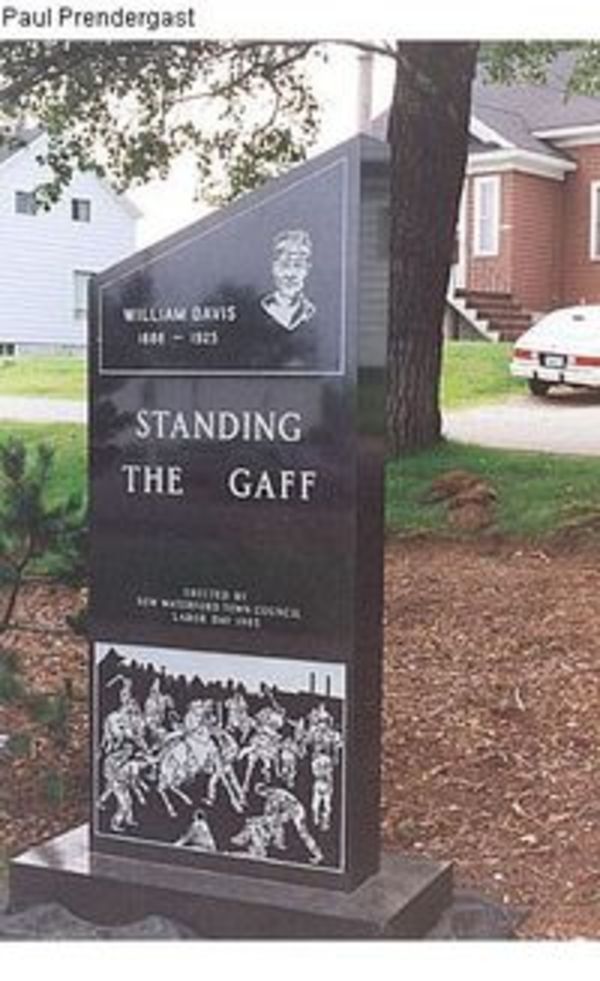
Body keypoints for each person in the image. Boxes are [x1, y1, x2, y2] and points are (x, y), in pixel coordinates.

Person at [260, 229, 316, 332]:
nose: (290, 274)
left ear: (307, 269)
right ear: (273, 268)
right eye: (284, 265)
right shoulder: (262, 307)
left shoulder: (310, 311)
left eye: (298, 265)